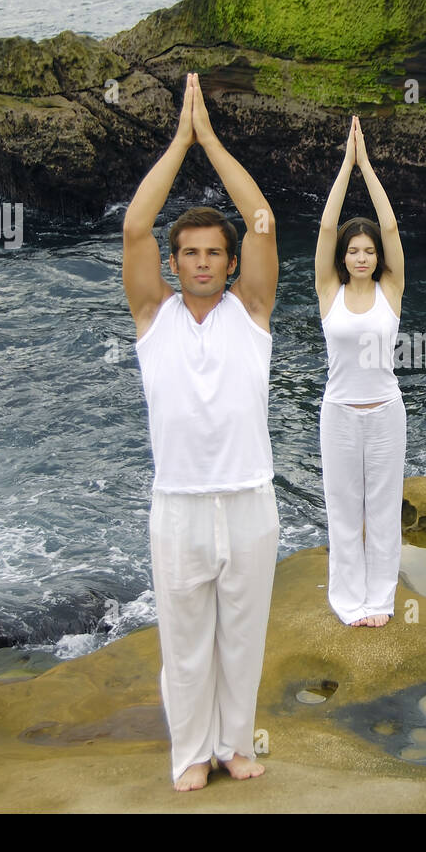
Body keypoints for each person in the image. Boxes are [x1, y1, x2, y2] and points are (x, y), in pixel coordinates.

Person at [121, 72, 280, 790]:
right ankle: (190, 751)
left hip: (249, 498)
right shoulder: (153, 320)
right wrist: (178, 140)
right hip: (179, 502)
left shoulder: (251, 314)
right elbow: (133, 227)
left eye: (215, 252)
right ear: (174, 263)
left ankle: (235, 744)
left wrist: (211, 141)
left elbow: (263, 219)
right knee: (185, 640)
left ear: (229, 262)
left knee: (242, 638)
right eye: (191, 253)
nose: (205, 261)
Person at [315, 116, 407, 628]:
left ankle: (380, 600)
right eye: (354, 250)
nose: (362, 256)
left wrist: (368, 166)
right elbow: (328, 227)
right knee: (345, 512)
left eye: (369, 251)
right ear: (343, 257)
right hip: (340, 415)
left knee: (382, 510)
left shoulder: (389, 292)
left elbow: (389, 227)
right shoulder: (329, 293)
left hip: (386, 414)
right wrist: (345, 167)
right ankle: (350, 601)